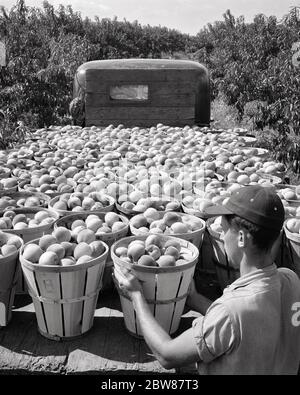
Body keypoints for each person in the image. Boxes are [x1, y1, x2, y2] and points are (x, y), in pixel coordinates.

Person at [114, 185, 300, 375]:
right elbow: (248, 323)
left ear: (242, 238)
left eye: (225, 229)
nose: (223, 236)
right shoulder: (290, 280)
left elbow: (166, 355)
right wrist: (196, 299)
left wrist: (136, 295)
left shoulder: (229, 311)